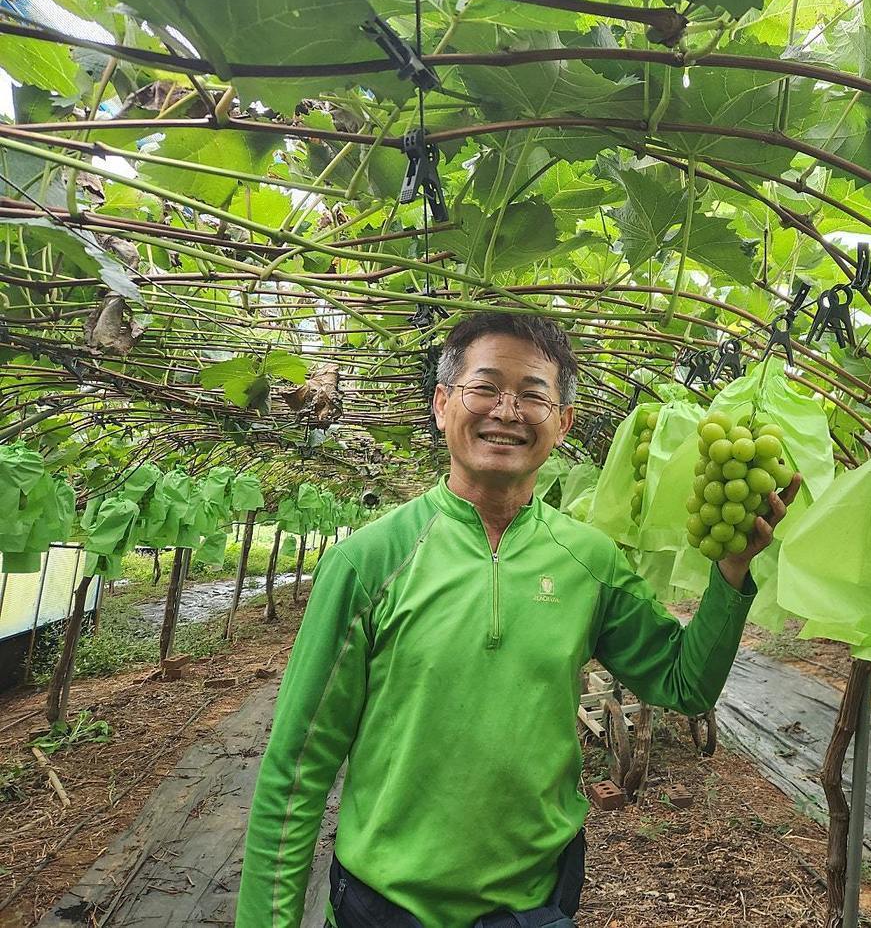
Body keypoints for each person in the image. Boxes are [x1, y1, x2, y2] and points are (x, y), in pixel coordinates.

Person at [236, 312, 800, 928]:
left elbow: (683, 684)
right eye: (484, 388)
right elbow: (296, 767)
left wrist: (731, 575)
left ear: (562, 424)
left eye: (534, 394)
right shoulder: (369, 561)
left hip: (536, 905)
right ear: (442, 404)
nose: (507, 410)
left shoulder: (590, 561)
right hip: (387, 907)